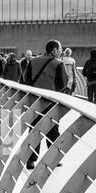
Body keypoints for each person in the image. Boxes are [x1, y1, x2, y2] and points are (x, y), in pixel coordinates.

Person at [24, 41, 68, 169]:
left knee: (34, 130)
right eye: (60, 49)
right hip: (51, 103)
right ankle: (53, 159)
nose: (61, 51)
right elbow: (63, 84)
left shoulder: (32, 62)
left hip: (34, 102)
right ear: (54, 50)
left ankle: (30, 160)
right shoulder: (58, 64)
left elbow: (24, 80)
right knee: (53, 131)